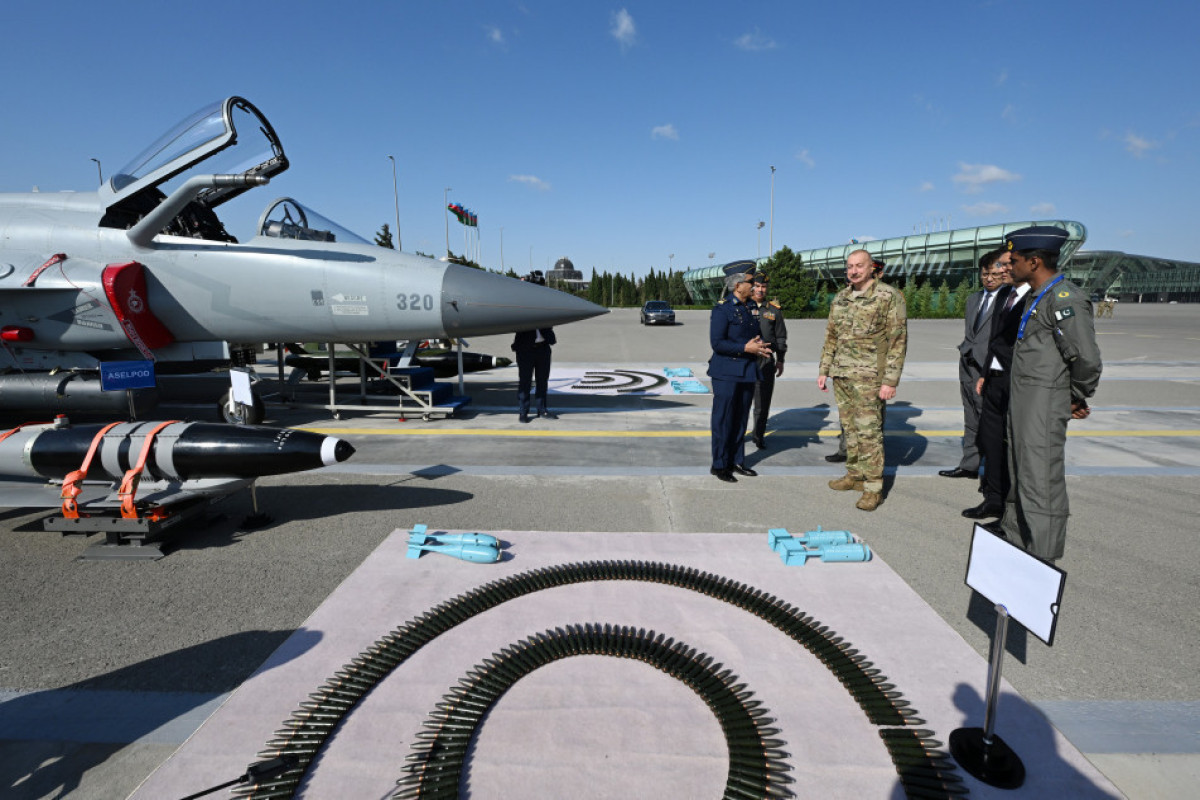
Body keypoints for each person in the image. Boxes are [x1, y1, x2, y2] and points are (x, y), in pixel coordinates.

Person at [997, 226, 1102, 560]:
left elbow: (1085, 357)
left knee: (1040, 482)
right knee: (1020, 476)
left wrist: (1073, 395)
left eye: (1013, 260)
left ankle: (1040, 558)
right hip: (1025, 402)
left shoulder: (1064, 298)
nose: (1008, 266)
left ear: (1035, 261)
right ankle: (1017, 543)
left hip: (1042, 404)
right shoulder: (1035, 296)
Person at [817, 250, 907, 511]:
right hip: (842, 375)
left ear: (871, 268)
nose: (853, 271)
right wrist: (824, 369)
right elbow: (831, 336)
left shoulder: (888, 296)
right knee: (850, 428)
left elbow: (898, 340)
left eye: (859, 266)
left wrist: (890, 380)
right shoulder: (841, 297)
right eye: (849, 267)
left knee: (869, 432)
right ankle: (854, 476)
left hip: (870, 377)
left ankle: (873, 487)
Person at [963, 248, 1027, 520]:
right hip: (995, 379)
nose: (1001, 271)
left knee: (1014, 445)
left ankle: (1011, 511)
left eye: (1006, 264)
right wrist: (986, 374)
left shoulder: (1037, 298)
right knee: (991, 440)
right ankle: (993, 499)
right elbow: (995, 341)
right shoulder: (1005, 295)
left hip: (1020, 382)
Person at [940, 250, 1005, 480]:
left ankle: (994, 471)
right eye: (985, 273)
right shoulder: (973, 299)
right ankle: (969, 464)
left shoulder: (1008, 301)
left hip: (990, 369)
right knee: (971, 417)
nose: (989, 278)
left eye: (994, 274)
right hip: (968, 365)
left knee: (989, 419)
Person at [708, 271, 772, 482]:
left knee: (740, 419)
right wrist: (745, 347)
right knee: (723, 420)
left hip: (746, 371)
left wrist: (759, 345)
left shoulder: (751, 307)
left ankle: (737, 461)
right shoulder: (722, 309)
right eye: (751, 282)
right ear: (737, 286)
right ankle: (719, 464)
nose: (754, 286)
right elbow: (717, 343)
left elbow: (754, 334)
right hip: (726, 373)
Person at [748, 273, 788, 449]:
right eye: (757, 285)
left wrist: (780, 360)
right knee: (740, 403)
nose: (760, 289)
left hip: (765, 363)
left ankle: (758, 436)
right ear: (751, 286)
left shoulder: (773, 310)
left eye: (763, 286)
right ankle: (736, 435)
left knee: (762, 404)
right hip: (745, 361)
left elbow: (780, 336)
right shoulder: (743, 306)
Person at [511, 272, 557, 424]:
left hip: (543, 348)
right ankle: (523, 412)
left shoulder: (545, 302)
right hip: (525, 349)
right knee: (525, 382)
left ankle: (542, 409)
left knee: (542, 381)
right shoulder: (521, 302)